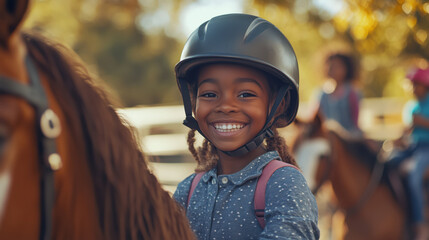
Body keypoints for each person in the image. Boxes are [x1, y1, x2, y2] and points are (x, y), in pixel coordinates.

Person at [172, 13, 319, 239]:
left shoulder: (284, 185)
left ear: (278, 106)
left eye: (246, 94)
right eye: (210, 94)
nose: (226, 106)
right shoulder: (188, 191)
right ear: (193, 103)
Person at [387, 67, 429, 240]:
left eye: (416, 85)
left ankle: (419, 224)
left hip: (426, 148)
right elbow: (407, 131)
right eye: (411, 85)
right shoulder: (410, 107)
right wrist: (398, 140)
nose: (413, 89)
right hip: (412, 147)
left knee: (413, 176)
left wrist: (423, 123)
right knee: (386, 162)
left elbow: (418, 125)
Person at [316, 53, 362, 136]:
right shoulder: (322, 94)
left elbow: (355, 120)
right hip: (327, 136)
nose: (332, 69)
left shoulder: (351, 92)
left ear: (346, 69)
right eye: (330, 66)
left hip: (349, 136)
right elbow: (316, 117)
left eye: (336, 66)